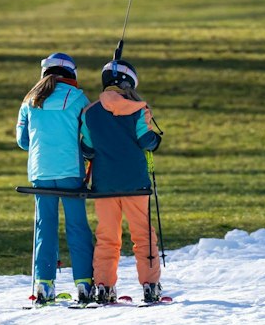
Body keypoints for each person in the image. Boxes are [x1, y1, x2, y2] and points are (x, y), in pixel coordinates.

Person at [79, 58, 164, 305]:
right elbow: (146, 140)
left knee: (107, 236)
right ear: (129, 83)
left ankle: (104, 286)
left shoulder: (89, 112)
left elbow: (88, 148)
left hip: (104, 185)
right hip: (136, 183)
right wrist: (156, 140)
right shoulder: (138, 108)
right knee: (143, 235)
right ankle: (150, 285)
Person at [15, 52, 96, 306]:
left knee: (44, 228)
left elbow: (22, 141)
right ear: (71, 74)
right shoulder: (78, 98)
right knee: (77, 227)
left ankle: (44, 285)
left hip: (41, 173)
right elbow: (89, 138)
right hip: (71, 171)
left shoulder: (30, 99)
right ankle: (84, 284)